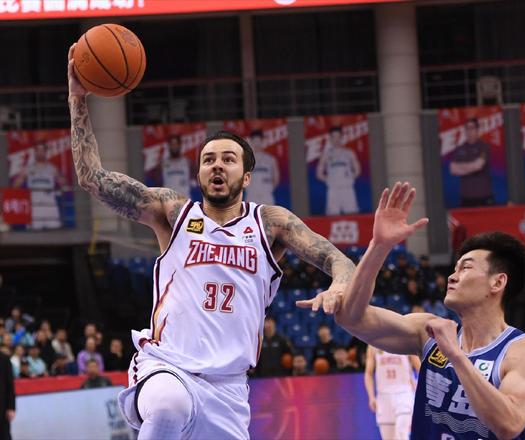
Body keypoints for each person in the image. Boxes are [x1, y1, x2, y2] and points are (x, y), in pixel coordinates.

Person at [67, 43, 354, 440]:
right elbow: (92, 178)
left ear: (246, 176)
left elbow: (339, 260)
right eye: (208, 159)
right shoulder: (173, 213)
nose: (217, 164)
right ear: (200, 174)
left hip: (229, 388)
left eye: (228, 159)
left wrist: (339, 285)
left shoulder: (270, 224)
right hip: (167, 367)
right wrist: (77, 99)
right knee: (168, 407)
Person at [301, 182, 525, 439]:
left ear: (497, 282)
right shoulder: (427, 331)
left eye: (465, 268)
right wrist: (379, 246)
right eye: (454, 268)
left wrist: (456, 356)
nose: (452, 276)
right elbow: (352, 318)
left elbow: (509, 424)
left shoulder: (522, 351)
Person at [364, 346, 420, 440]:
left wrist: (419, 390)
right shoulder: (372, 345)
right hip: (383, 397)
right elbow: (368, 373)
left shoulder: (406, 341)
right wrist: (371, 396)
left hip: (404, 394)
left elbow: (421, 369)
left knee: (401, 433)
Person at [13, 142, 68, 229]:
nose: (40, 152)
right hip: (35, 208)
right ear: (34, 152)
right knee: (34, 234)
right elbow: (15, 186)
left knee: (54, 232)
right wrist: (20, 179)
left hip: (50, 207)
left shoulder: (52, 169)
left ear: (46, 152)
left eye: (42, 150)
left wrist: (61, 187)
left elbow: (64, 184)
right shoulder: (27, 169)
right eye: (37, 150)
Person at [316, 126, 361, 215]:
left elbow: (357, 170)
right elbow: (319, 173)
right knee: (332, 214)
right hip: (333, 190)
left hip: (347, 189)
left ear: (342, 137)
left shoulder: (349, 153)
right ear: (330, 138)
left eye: (338, 137)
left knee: (352, 213)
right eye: (333, 137)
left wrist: (349, 178)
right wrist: (329, 180)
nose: (336, 140)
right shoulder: (326, 155)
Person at [449, 118, 493, 207]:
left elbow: (478, 166)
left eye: (472, 128)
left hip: (483, 197)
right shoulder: (460, 148)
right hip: (466, 198)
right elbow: (453, 169)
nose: (469, 131)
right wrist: (471, 167)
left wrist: (461, 168)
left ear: (477, 130)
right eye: (467, 128)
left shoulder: (484, 147)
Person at [245, 130, 279, 205]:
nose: (257, 144)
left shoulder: (271, 159)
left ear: (263, 141)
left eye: (259, 141)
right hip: (251, 197)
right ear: (251, 142)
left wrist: (266, 190)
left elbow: (276, 179)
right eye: (255, 141)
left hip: (267, 197)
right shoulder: (246, 160)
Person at [158, 134, 193, 199]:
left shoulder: (187, 162)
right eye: (172, 144)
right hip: (169, 200)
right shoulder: (163, 163)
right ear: (169, 146)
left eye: (176, 144)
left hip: (185, 200)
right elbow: (157, 184)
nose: (174, 147)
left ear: (180, 145)